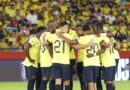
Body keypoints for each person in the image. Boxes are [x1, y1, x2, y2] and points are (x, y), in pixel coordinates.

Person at [39, 20, 56, 90]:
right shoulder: (49, 34)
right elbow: (48, 47)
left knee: (45, 78)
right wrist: (53, 57)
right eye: (54, 26)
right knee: (52, 78)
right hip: (49, 60)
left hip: (43, 60)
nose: (55, 27)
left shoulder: (42, 34)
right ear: (51, 27)